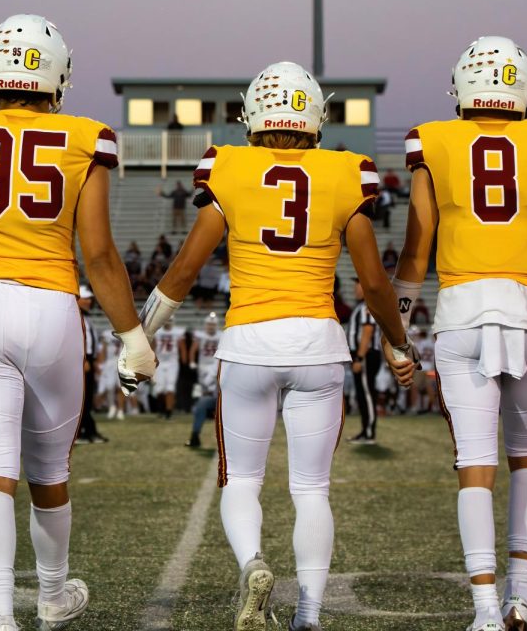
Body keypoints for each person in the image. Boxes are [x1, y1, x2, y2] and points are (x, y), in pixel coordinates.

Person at [0, 14, 155, 631]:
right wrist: (132, 336)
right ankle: (52, 593)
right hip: (52, 308)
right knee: (49, 469)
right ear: (57, 75)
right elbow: (97, 253)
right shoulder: (84, 136)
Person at [136, 61, 415, 631]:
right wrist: (398, 343)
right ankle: (308, 614)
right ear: (316, 115)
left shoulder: (230, 166)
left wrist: (138, 337)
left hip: (250, 342)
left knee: (242, 480)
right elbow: (374, 282)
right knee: (312, 488)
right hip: (317, 342)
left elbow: (186, 268)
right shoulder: (346, 172)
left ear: (252, 115)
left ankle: (253, 563)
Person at [394, 36, 527, 631]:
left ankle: (485, 610)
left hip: (463, 312)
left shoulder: (432, 140)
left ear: (462, 86)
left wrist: (396, 329)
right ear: (524, 88)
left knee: (474, 465)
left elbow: (416, 251)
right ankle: (522, 596)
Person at [345, 281, 381, 445]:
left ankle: (369, 433)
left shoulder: (367, 306)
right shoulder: (361, 307)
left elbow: (368, 331)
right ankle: (365, 430)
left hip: (365, 355)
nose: (355, 289)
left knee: (366, 394)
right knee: (362, 394)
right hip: (362, 355)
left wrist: (359, 357)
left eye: (358, 285)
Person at [75, 286, 108, 444]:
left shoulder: (85, 317)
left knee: (86, 400)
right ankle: (84, 432)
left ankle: (88, 431)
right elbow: (74, 341)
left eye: (90, 299)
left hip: (88, 360)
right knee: (82, 400)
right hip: (81, 360)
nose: (89, 302)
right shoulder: (74, 316)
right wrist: (83, 360)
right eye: (86, 298)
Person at [186, 313, 222, 448]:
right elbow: (209, 380)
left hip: (233, 399)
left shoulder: (222, 339)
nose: (211, 327)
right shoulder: (216, 362)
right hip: (217, 390)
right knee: (202, 403)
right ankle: (195, 436)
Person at [153, 320, 186, 419]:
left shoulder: (178, 332)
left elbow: (182, 348)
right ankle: (161, 408)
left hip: (172, 363)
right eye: (166, 320)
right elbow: (153, 347)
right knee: (159, 389)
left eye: (170, 320)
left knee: (170, 388)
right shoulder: (157, 332)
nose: (168, 322)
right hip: (160, 362)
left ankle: (168, 411)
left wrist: (184, 363)